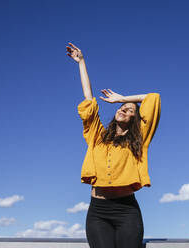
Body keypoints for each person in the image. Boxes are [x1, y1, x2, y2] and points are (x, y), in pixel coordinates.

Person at [66, 42, 161, 248]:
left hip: (126, 211)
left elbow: (153, 98)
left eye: (129, 111)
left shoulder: (139, 140)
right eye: (122, 108)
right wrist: (81, 62)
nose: (124, 110)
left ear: (134, 121)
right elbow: (89, 99)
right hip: (97, 211)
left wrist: (124, 98)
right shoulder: (97, 136)